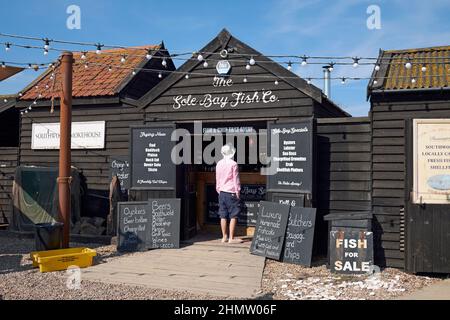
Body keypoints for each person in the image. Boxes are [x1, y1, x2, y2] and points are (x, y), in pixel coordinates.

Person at [216, 143, 243, 244]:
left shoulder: (218, 163)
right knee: (233, 215)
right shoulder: (233, 164)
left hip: (222, 192)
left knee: (222, 215)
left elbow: (217, 178)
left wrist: (218, 190)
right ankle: (231, 238)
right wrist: (238, 192)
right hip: (231, 191)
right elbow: (236, 180)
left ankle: (224, 237)